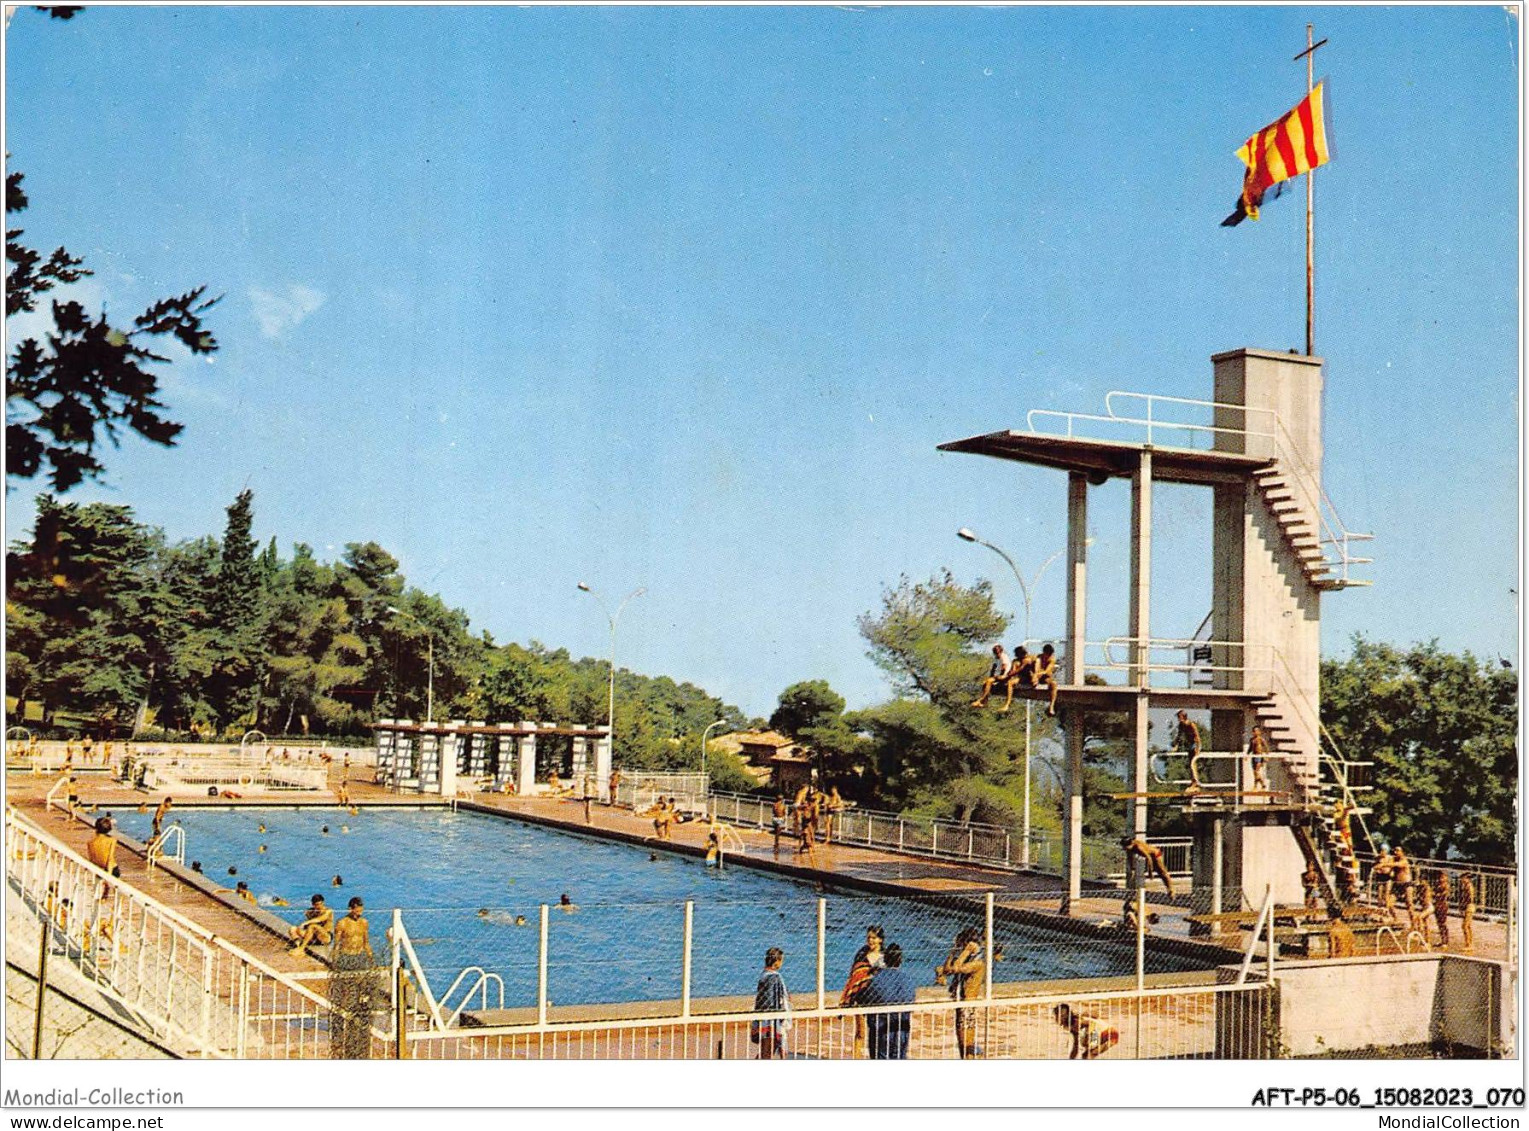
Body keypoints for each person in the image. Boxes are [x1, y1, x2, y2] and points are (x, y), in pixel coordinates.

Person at [330, 897, 378, 1059]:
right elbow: (336, 944)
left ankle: (353, 1019)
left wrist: (372, 961)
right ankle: (341, 1019)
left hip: (359, 958)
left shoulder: (364, 923)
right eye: (357, 909)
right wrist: (334, 962)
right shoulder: (342, 923)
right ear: (351, 909)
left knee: (359, 991)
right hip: (346, 957)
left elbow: (366, 943)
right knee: (344, 990)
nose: (359, 912)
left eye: (361, 909)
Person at [860, 943, 918, 1060]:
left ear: (885, 959)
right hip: (902, 1027)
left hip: (880, 1028)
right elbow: (910, 1000)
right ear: (900, 960)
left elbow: (865, 1000)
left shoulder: (876, 980)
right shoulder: (909, 980)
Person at [935, 927, 986, 1059]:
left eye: (963, 945)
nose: (961, 948)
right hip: (961, 1005)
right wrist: (953, 951)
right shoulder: (969, 960)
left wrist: (966, 951)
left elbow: (957, 968)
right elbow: (947, 969)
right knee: (962, 1044)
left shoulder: (978, 962)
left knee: (966, 1043)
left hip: (967, 1007)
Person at [839, 925, 885, 1057]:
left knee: (877, 1032)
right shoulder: (861, 954)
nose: (870, 941)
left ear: (880, 940)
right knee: (860, 1032)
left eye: (874, 938)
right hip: (861, 997)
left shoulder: (885, 956)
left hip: (878, 998)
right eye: (869, 938)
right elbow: (854, 975)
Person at [751, 947, 790, 1060]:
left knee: (767, 1048)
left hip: (764, 1017)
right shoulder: (774, 977)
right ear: (777, 961)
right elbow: (777, 997)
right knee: (770, 1048)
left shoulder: (764, 975)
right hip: (772, 1018)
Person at [1053, 1003, 1121, 1060]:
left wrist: (1091, 1038)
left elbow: (1091, 1023)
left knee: (1088, 1055)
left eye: (1062, 1016)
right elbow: (1075, 1047)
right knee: (1086, 1055)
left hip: (1109, 1034)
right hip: (1108, 1034)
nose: (1059, 1018)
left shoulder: (1076, 1022)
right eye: (1058, 1015)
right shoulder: (1073, 1026)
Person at [970, 643, 1011, 709]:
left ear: (1000, 651)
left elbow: (1004, 668)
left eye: (998, 652)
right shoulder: (996, 658)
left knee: (989, 681)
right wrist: (991, 676)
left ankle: (981, 700)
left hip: (1004, 676)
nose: (997, 654)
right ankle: (985, 701)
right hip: (997, 676)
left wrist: (997, 677)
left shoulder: (1004, 656)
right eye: (995, 653)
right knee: (985, 682)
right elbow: (993, 668)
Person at [1173, 710, 1203, 792]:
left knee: (1193, 764)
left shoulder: (1191, 724)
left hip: (1195, 744)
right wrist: (1176, 745)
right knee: (1190, 764)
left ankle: (1195, 782)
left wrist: (1198, 749)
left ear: (1183, 717)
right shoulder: (1181, 725)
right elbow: (1179, 736)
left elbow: (1197, 737)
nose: (1178, 719)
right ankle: (1193, 781)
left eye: (1179, 717)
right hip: (1189, 745)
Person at [1030, 644, 1061, 717]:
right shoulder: (1038, 658)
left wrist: (1038, 674)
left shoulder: (1052, 659)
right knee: (1034, 681)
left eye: (1050, 654)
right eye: (1048, 654)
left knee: (1054, 684)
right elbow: (1035, 670)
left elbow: (1047, 671)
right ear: (1044, 652)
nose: (1049, 656)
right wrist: (1035, 676)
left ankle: (1051, 706)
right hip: (1036, 675)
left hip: (1045, 677)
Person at [1248, 725, 1271, 792]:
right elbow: (1250, 748)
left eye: (1257, 731)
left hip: (1259, 756)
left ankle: (1259, 785)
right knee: (1254, 772)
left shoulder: (1261, 739)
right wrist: (1247, 755)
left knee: (1256, 771)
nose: (1256, 732)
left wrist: (1267, 756)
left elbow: (1266, 748)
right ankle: (1261, 785)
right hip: (1253, 756)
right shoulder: (1252, 740)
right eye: (1254, 731)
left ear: (1259, 732)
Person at [1432, 871, 1451, 947]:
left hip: (1443, 904)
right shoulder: (1437, 885)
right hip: (1437, 904)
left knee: (1443, 923)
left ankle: (1445, 940)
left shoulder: (1446, 885)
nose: (1440, 879)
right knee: (1439, 923)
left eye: (1442, 877)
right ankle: (1442, 939)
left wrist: (1437, 895)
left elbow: (1445, 894)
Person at [1459, 874, 1477, 953]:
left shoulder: (1469, 887)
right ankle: (1469, 943)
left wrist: (1463, 905)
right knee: (1468, 926)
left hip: (1469, 907)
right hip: (1467, 906)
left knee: (1465, 926)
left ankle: (1468, 944)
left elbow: (1470, 898)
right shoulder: (1464, 887)